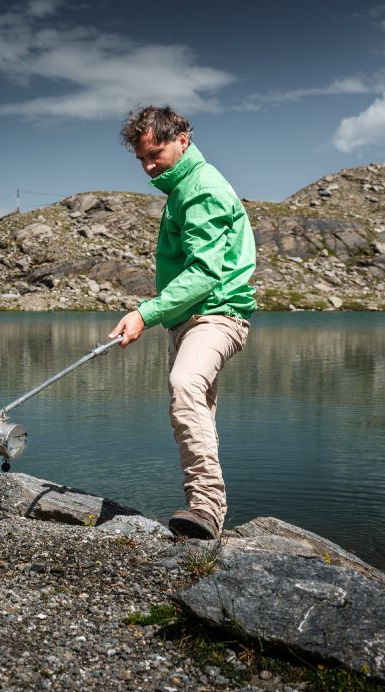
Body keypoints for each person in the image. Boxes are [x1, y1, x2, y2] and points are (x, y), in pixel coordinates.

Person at [110, 105, 256, 540]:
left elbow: (205, 273)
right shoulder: (181, 188)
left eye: (155, 154)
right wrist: (160, 316)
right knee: (195, 410)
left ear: (183, 140)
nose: (149, 167)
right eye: (142, 160)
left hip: (216, 316)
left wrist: (144, 313)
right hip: (189, 320)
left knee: (185, 385)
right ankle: (205, 517)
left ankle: (206, 510)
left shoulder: (201, 188)